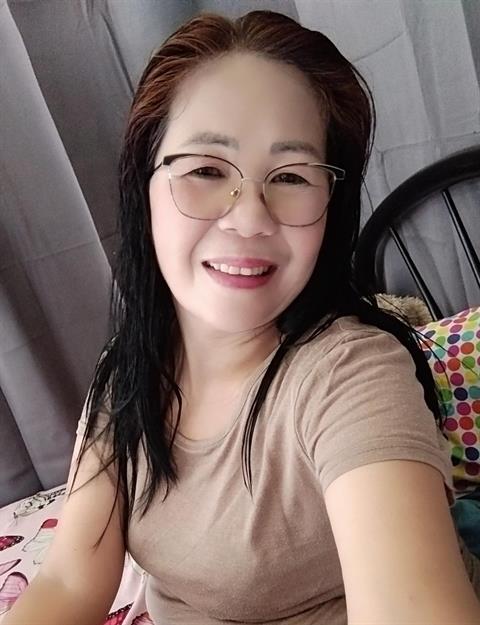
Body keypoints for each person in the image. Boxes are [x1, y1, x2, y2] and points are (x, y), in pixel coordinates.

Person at [4, 9, 480, 625]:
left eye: (291, 176)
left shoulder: (352, 373)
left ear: (330, 205)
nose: (250, 217)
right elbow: (70, 579)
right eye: (206, 169)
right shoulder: (127, 372)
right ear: (143, 185)